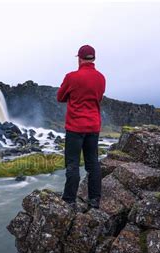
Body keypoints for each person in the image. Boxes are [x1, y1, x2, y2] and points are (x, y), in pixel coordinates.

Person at [57, 44, 106, 209]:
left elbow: (60, 97)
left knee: (73, 164)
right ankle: (94, 201)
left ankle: (69, 201)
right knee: (93, 163)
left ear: (79, 58)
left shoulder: (72, 77)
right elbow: (98, 97)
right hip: (93, 126)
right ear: (93, 58)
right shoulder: (101, 78)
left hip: (75, 127)